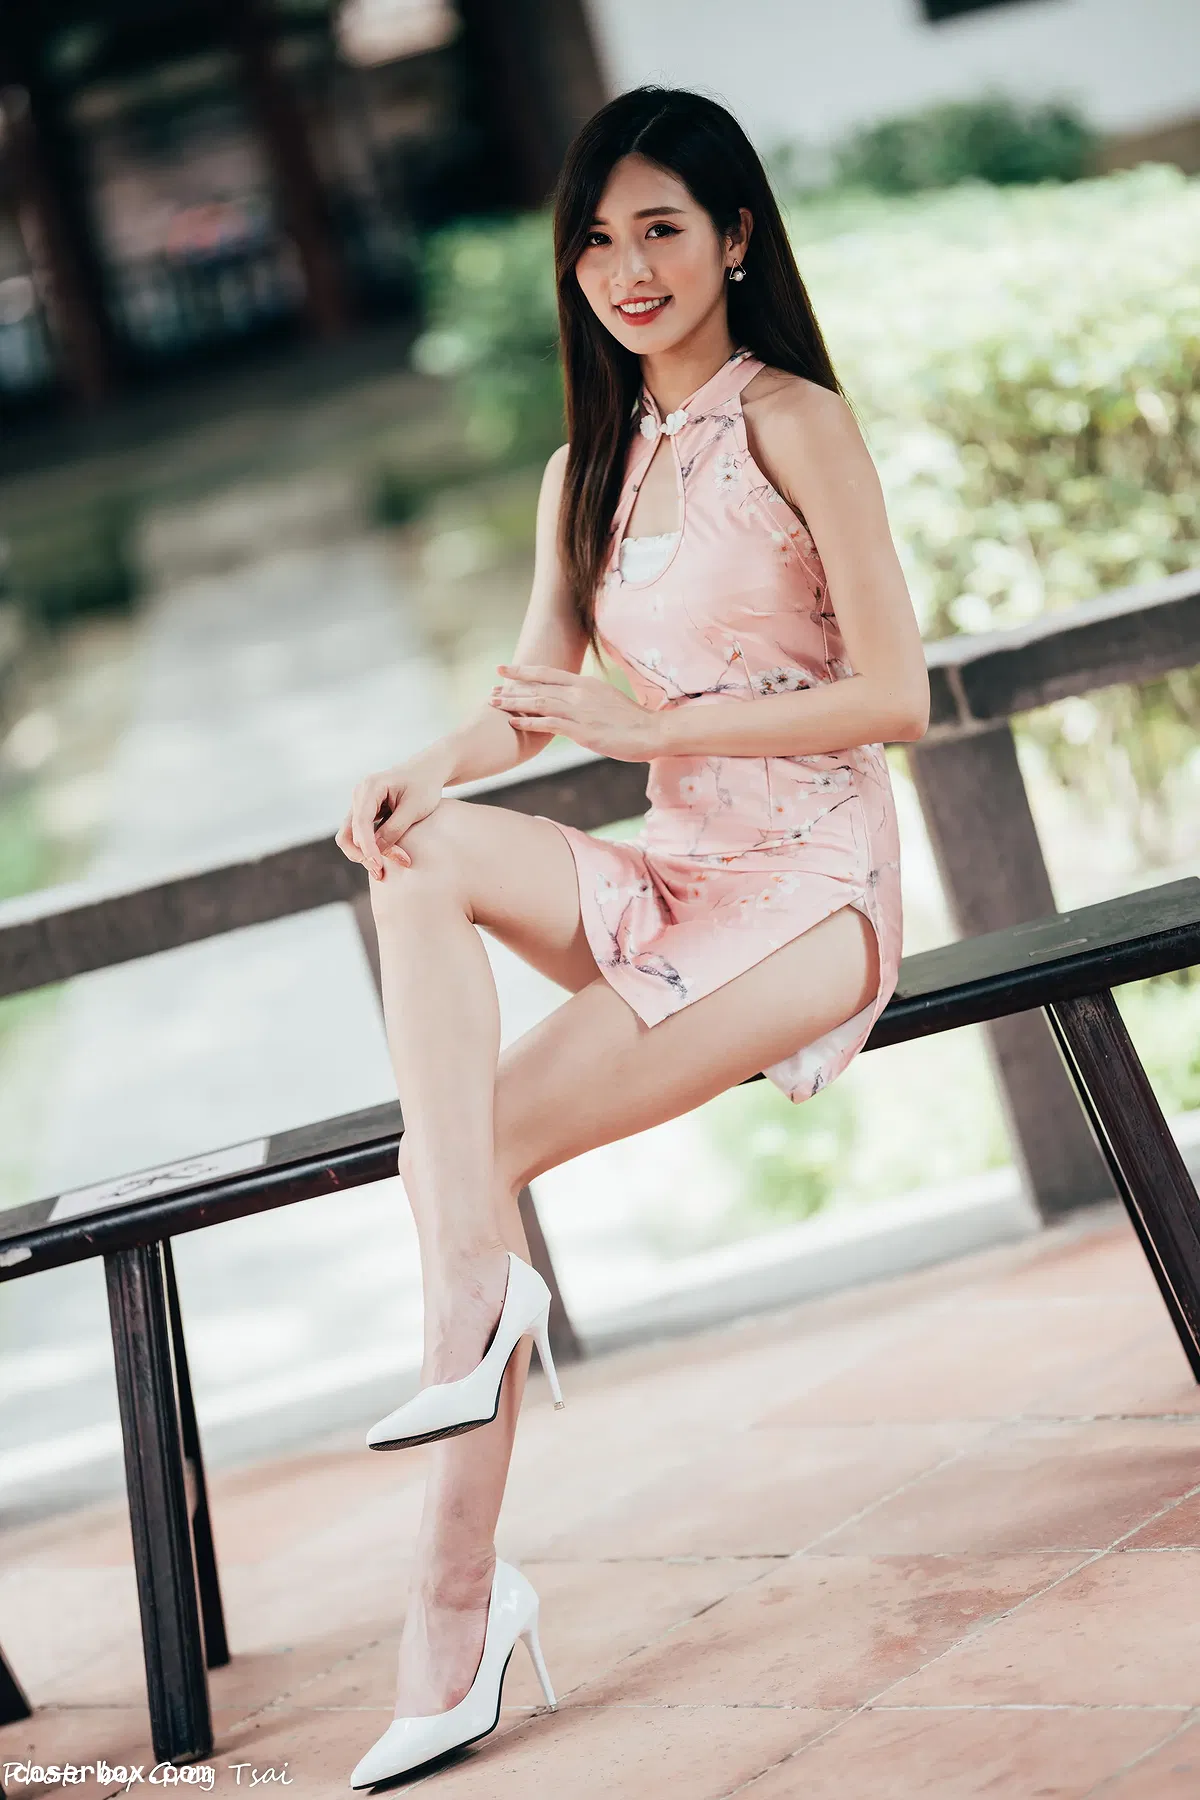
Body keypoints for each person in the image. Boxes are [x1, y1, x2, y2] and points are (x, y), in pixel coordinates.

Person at [336, 84, 929, 1788]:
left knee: (458, 1151)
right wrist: (428, 765)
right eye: (596, 240)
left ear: (736, 237)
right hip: (679, 876)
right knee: (419, 858)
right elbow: (536, 701)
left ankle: (452, 1613)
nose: (627, 268)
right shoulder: (581, 470)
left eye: (662, 227)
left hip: (810, 891)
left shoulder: (795, 424)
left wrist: (646, 726)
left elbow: (895, 695)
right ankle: (478, 1297)